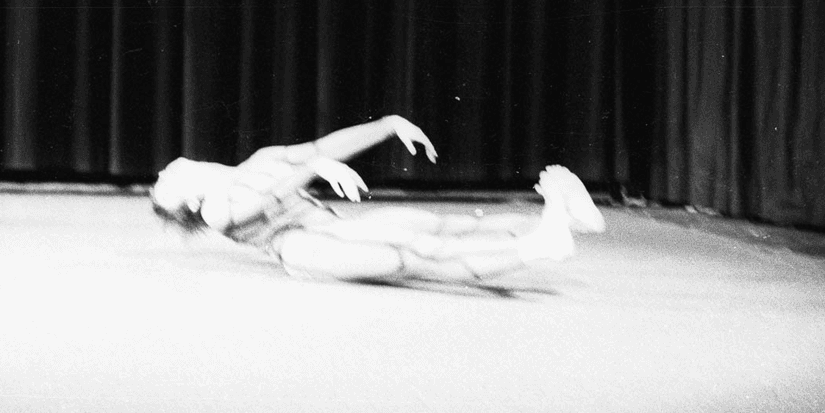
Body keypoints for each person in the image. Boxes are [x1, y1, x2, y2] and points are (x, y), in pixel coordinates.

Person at [150, 115, 605, 284]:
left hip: (337, 228)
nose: (163, 172)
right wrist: (312, 172)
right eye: (162, 186)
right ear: (187, 202)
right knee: (415, 255)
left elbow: (324, 147)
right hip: (308, 248)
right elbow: (262, 204)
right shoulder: (213, 210)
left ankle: (562, 220)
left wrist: (388, 124)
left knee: (436, 225)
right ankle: (537, 246)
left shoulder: (262, 158)